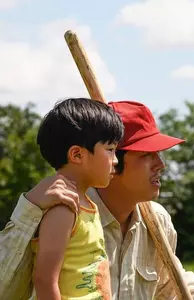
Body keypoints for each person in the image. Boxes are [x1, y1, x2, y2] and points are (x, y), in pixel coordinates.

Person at [0, 100, 194, 300]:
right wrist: (29, 208)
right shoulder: (62, 208)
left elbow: (170, 285)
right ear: (115, 160)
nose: (161, 164)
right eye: (146, 155)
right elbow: (9, 289)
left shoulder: (157, 220)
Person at [31, 98, 124, 299]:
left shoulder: (88, 205)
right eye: (110, 150)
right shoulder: (63, 209)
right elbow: (45, 281)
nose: (116, 160)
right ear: (77, 154)